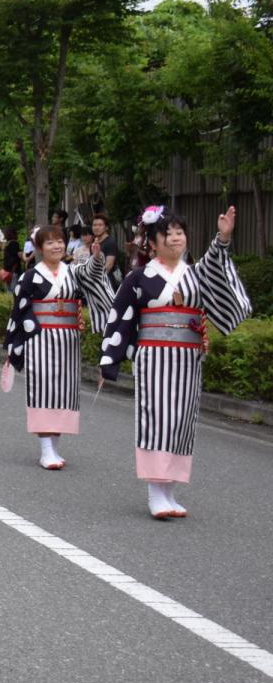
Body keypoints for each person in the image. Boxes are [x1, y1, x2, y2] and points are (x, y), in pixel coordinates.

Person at [99, 206, 250, 519]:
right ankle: (156, 492)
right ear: (152, 242)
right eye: (169, 234)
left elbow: (215, 265)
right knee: (157, 418)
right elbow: (121, 318)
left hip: (187, 356)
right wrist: (110, 359)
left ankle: (170, 490)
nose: (177, 238)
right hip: (154, 356)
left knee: (182, 420)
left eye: (180, 232)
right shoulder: (139, 277)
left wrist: (222, 238)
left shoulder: (194, 273)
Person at [3, 225, 113, 470]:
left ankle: (55, 445)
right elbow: (19, 309)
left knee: (64, 389)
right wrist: (19, 340)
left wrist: (97, 257)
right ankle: (45, 448)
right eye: (50, 242)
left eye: (60, 241)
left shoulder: (72, 271)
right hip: (39, 338)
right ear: (40, 248)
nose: (56, 246)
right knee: (43, 388)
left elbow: (93, 274)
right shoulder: (30, 276)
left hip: (68, 339)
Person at [89, 213, 121, 289]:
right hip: (95, 282)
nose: (96, 227)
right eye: (94, 225)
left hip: (107, 282)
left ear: (106, 227)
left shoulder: (110, 243)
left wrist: (95, 280)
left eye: (100, 225)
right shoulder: (93, 243)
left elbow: (109, 266)